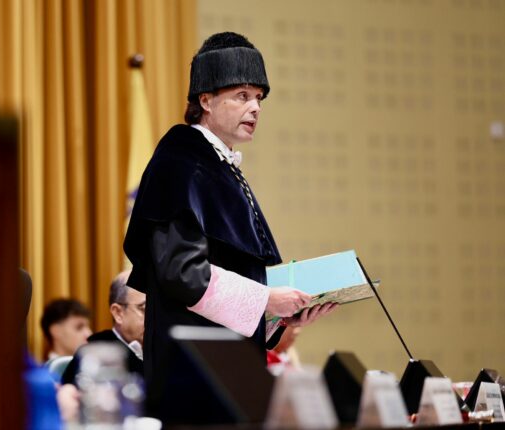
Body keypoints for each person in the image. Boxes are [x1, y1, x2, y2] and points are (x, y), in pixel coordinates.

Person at [123, 32, 337, 423]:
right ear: (205, 100)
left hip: (227, 373)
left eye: (259, 97)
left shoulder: (220, 166)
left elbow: (236, 279)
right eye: (242, 95)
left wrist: (280, 317)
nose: (255, 107)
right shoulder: (181, 161)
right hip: (191, 379)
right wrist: (267, 300)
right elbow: (182, 275)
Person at [61, 269, 145, 385]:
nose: (154, 318)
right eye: (144, 309)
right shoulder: (93, 353)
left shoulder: (164, 348)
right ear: (118, 313)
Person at [40, 298, 92, 363]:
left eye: (88, 327)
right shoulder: (40, 372)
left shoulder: (92, 368)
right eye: (79, 327)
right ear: (56, 331)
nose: (89, 334)